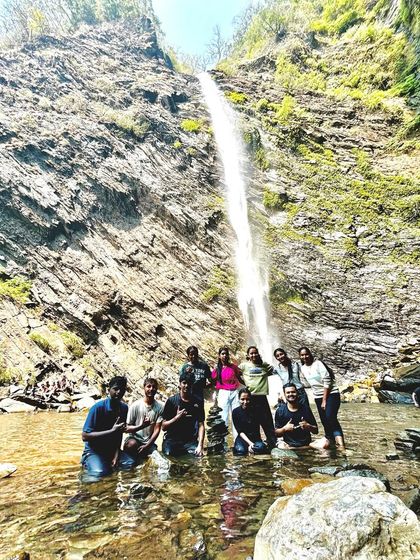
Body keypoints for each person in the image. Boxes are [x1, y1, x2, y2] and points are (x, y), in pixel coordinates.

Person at [81, 376, 134, 479]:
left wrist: (116, 454)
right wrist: (111, 431)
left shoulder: (124, 408)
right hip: (93, 451)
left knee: (130, 464)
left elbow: (119, 433)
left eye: (122, 390)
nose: (118, 392)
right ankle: (86, 468)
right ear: (108, 389)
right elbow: (85, 436)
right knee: (100, 472)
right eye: (115, 389)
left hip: (111, 450)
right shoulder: (98, 408)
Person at [299, 347, 345, 448]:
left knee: (331, 418)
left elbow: (327, 381)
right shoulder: (302, 368)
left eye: (306, 354)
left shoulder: (318, 364)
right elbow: (308, 383)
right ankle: (330, 440)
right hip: (317, 396)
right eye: (302, 355)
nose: (304, 356)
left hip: (331, 394)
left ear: (310, 354)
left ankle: (341, 445)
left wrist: (324, 400)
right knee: (324, 420)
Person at [239, 346, 276, 447]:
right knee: (252, 421)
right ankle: (255, 443)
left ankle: (272, 442)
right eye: (251, 353)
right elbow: (236, 373)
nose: (253, 355)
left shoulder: (264, 365)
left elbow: (272, 370)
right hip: (250, 398)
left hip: (262, 396)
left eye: (255, 353)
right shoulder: (243, 366)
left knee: (267, 421)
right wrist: (244, 383)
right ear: (248, 355)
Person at [162, 372, 205, 457]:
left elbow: (201, 425)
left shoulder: (197, 402)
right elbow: (163, 427)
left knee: (199, 457)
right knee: (168, 456)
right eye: (184, 383)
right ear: (180, 384)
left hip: (190, 441)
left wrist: (200, 445)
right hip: (172, 440)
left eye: (189, 383)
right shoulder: (171, 401)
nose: (186, 386)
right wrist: (176, 418)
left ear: (193, 385)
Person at [123, 378, 163, 462]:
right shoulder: (135, 406)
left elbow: (157, 429)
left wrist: (147, 445)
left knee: (159, 461)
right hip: (134, 439)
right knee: (131, 445)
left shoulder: (159, 407)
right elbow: (127, 429)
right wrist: (141, 426)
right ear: (144, 388)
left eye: (154, 387)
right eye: (148, 386)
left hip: (149, 442)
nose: (151, 389)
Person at [275, 383, 324, 448]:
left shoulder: (306, 408)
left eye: (293, 392)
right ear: (284, 394)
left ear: (297, 393)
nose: (291, 394)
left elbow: (316, 431)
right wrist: (284, 429)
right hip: (289, 445)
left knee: (325, 443)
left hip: (307, 445)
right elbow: (276, 433)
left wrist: (308, 426)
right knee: (281, 446)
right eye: (288, 393)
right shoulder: (280, 411)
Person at [212, 346, 244, 439]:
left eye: (226, 354)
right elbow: (212, 381)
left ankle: (238, 439)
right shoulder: (217, 369)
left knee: (236, 416)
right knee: (223, 417)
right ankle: (223, 441)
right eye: (222, 354)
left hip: (234, 392)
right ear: (219, 356)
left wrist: (249, 387)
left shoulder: (233, 367)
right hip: (223, 393)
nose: (225, 356)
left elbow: (240, 378)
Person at [232, 388, 269, 455]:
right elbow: (240, 431)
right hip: (242, 438)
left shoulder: (257, 410)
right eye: (242, 399)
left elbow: (265, 425)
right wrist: (250, 444)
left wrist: (268, 440)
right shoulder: (235, 412)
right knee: (239, 451)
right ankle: (248, 449)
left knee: (261, 448)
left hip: (255, 438)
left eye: (247, 399)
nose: (245, 402)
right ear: (239, 399)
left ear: (250, 399)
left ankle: (252, 449)